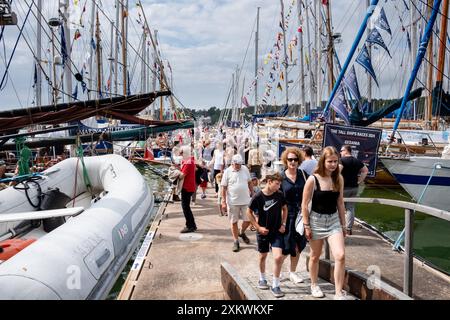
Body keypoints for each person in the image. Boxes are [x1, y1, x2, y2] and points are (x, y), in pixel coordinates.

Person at [301, 146, 348, 300]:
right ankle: (314, 285)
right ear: (323, 161)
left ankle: (338, 292)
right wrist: (307, 225)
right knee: (315, 256)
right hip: (316, 221)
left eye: (335, 161)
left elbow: (340, 203)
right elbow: (304, 204)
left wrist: (344, 224)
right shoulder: (312, 179)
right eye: (330, 161)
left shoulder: (338, 178)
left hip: (333, 220)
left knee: (340, 255)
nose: (333, 164)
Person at [247, 170, 288, 298]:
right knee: (263, 256)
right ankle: (262, 278)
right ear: (269, 182)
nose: (279, 187)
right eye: (277, 184)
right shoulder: (258, 196)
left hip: (276, 231)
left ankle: (275, 285)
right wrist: (258, 227)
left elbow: (285, 208)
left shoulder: (280, 195)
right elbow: (249, 212)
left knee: (278, 257)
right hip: (263, 232)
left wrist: (283, 224)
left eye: (280, 184)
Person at [279, 147, 308, 284]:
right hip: (286, 216)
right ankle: (276, 274)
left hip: (301, 216)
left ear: (299, 161)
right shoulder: (280, 177)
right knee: (285, 249)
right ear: (286, 160)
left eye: (295, 159)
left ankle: (292, 272)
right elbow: (275, 198)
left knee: (298, 246)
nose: (293, 162)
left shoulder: (304, 175)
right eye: (290, 159)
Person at [221, 154, 253, 252]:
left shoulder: (245, 169)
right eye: (236, 164)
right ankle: (236, 241)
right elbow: (224, 187)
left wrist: (253, 192)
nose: (238, 166)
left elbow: (249, 182)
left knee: (248, 220)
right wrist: (223, 201)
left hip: (246, 200)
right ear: (232, 163)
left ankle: (241, 232)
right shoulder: (227, 172)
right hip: (233, 202)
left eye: (240, 164)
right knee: (233, 221)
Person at [339, 145, 368, 235]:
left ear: (346, 151)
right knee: (350, 208)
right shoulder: (356, 161)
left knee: (339, 207)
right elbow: (365, 170)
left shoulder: (341, 160)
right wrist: (359, 181)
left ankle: (340, 227)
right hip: (354, 187)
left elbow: (338, 171)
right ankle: (348, 228)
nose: (340, 153)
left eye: (341, 151)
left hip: (343, 188)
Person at [179, 146, 197, 233]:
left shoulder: (188, 162)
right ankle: (192, 225)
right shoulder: (190, 161)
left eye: (182, 153)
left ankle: (190, 226)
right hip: (189, 186)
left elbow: (182, 175)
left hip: (187, 187)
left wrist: (174, 173)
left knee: (185, 207)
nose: (181, 154)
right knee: (186, 207)